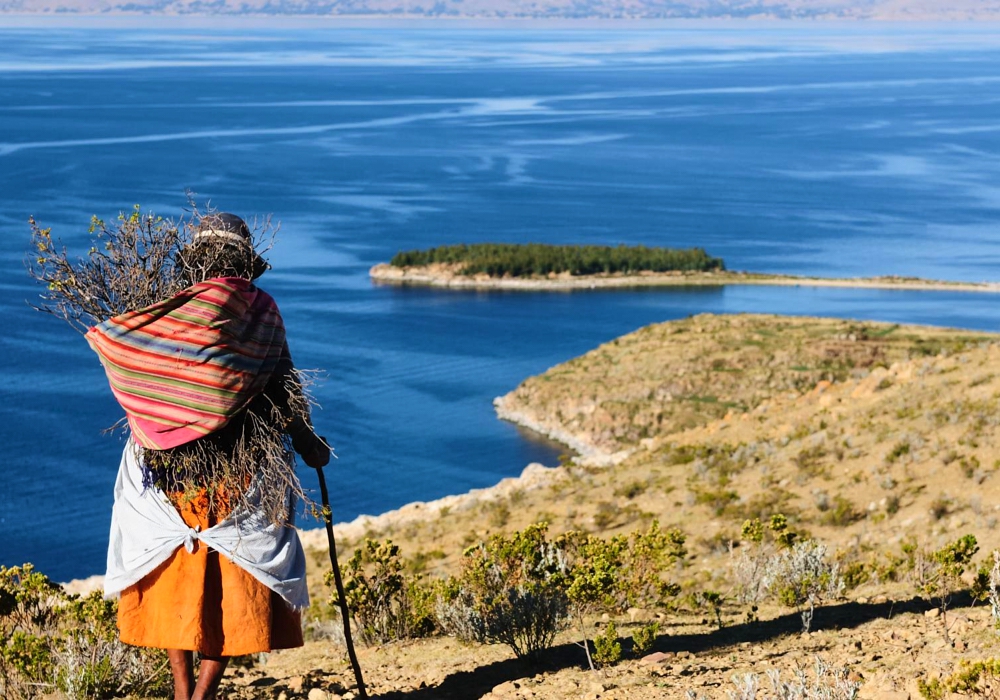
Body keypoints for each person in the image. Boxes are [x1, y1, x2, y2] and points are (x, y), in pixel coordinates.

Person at [86, 212, 329, 700]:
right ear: (243, 260)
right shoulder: (261, 309)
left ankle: (182, 691)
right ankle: (200, 696)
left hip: (166, 473)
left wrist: (164, 417)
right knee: (229, 588)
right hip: (236, 473)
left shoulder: (165, 311)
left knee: (176, 582)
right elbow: (283, 386)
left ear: (195, 262)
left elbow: (125, 351)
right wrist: (307, 444)